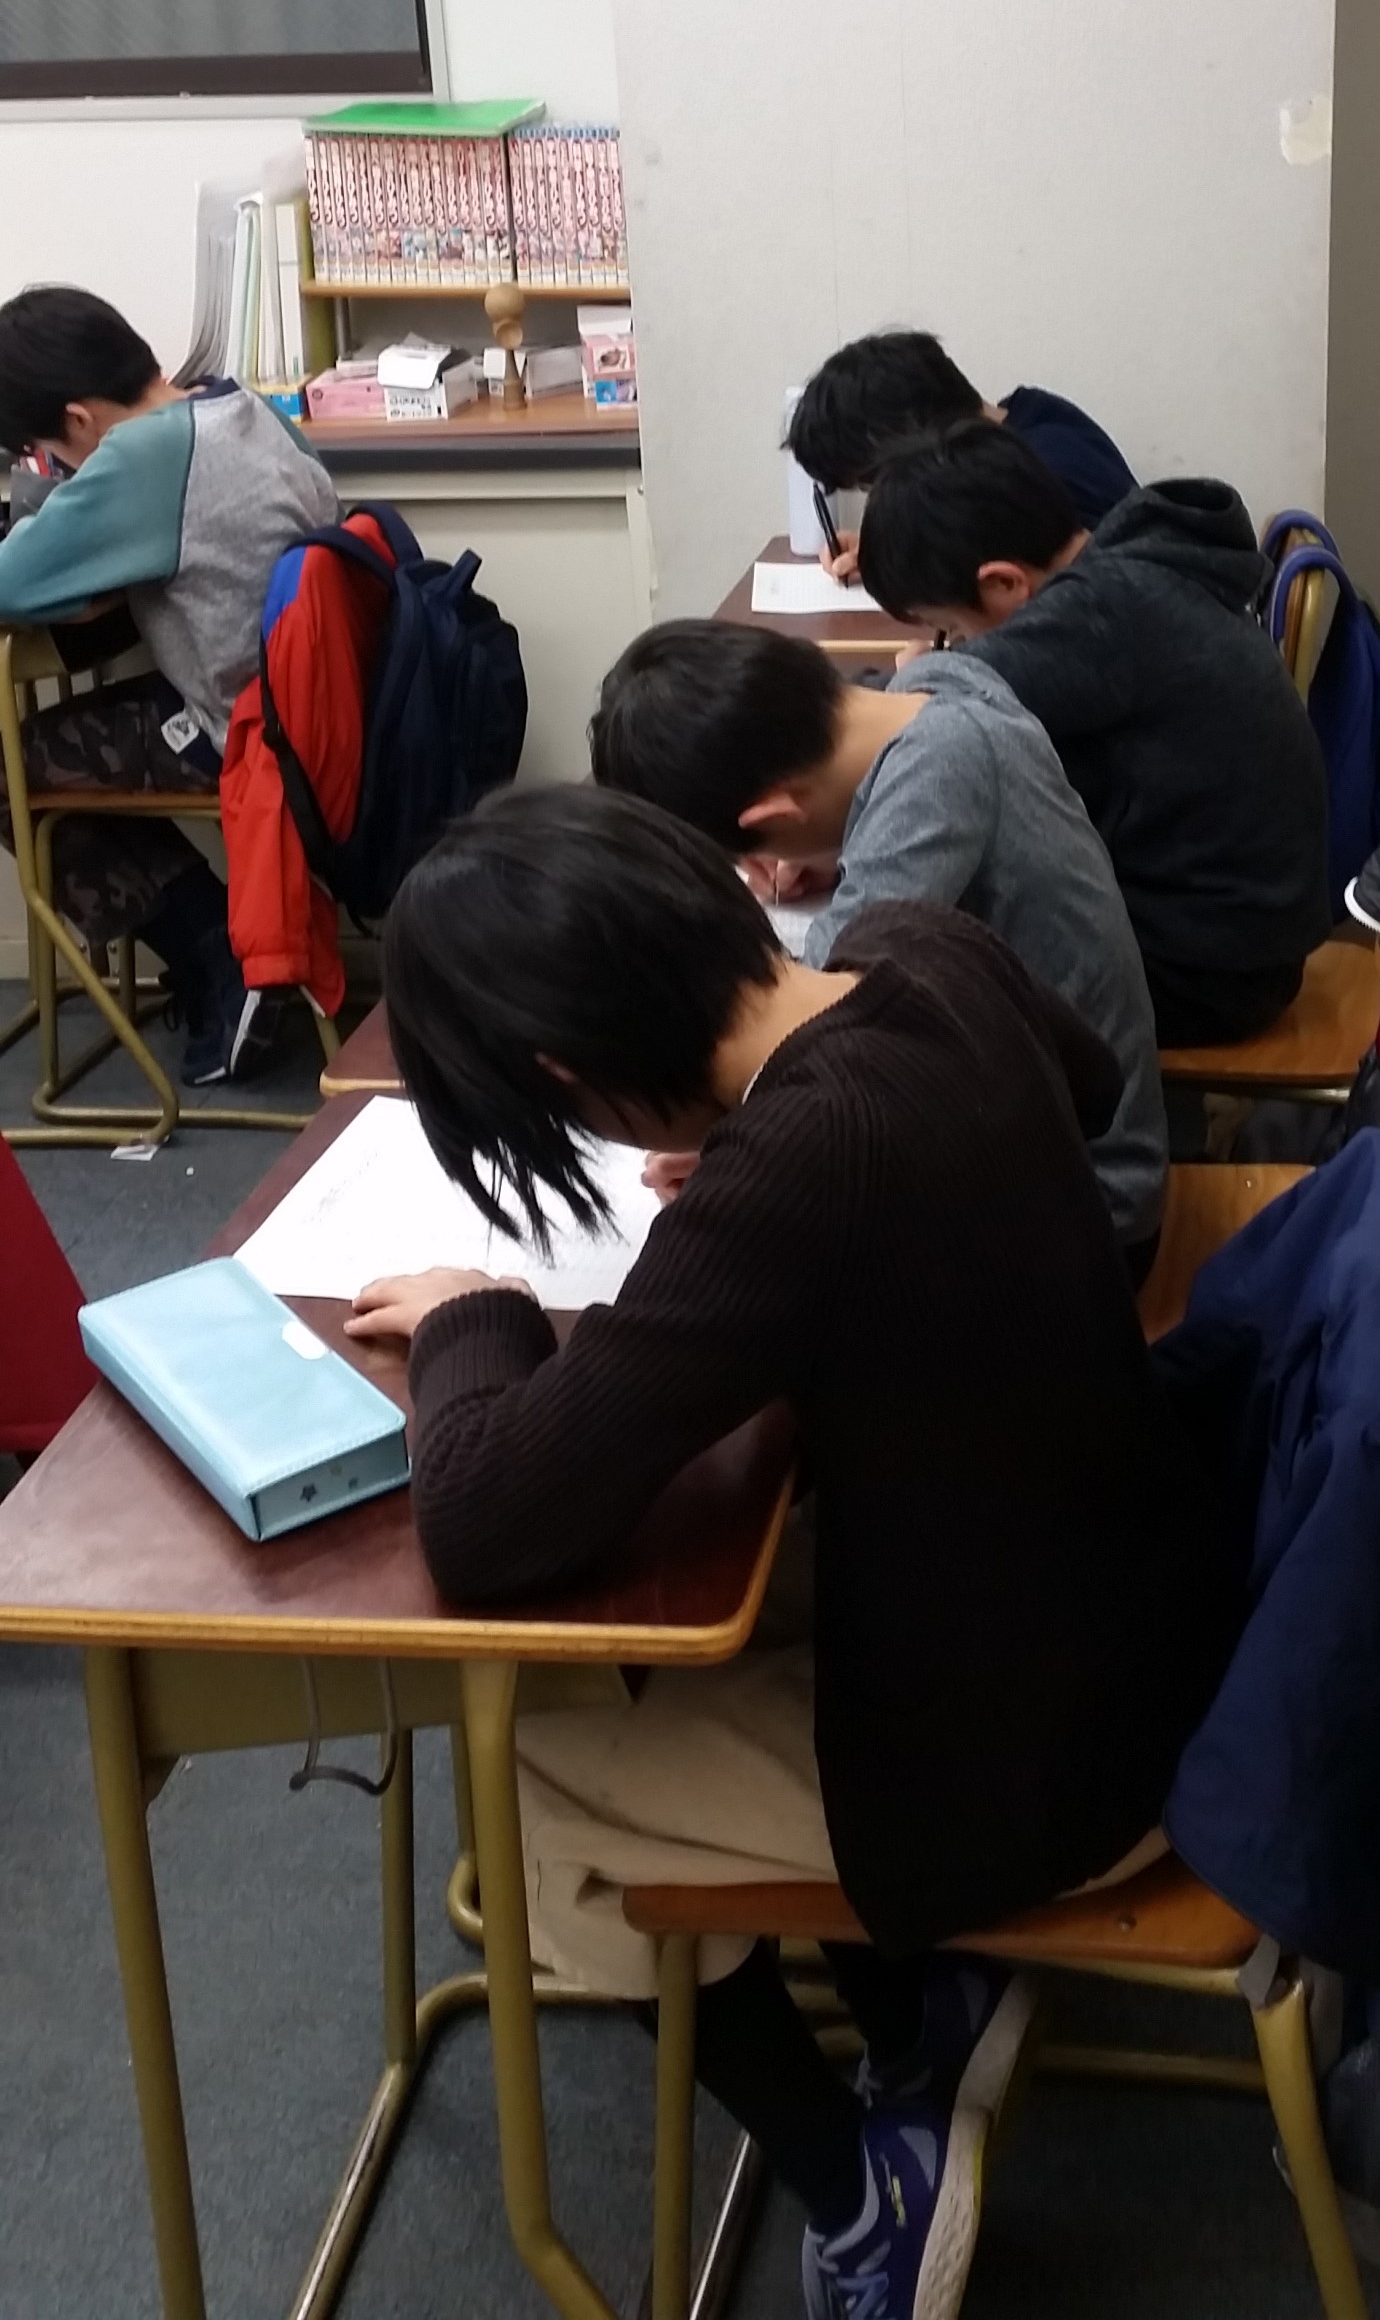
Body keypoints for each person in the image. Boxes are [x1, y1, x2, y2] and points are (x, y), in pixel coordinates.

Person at [344, 785, 1241, 2320]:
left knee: (534, 1782)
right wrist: (778, 1187)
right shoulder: (915, 947)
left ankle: (865, 2187)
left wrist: (472, 1317)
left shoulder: (802, 1160)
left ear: (567, 1075)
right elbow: (1085, 1080)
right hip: (1135, 1601)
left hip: (1052, 1766)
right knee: (668, 1647)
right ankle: (921, 2001)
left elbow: (485, 1517)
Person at [590, 619, 1169, 1271]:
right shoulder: (939, 685)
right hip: (1045, 1129)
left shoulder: (938, 774)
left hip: (1091, 1213)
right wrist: (839, 849)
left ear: (776, 813)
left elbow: (805, 1024)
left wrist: (732, 1144)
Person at [856, 420, 1331, 1045]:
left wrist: (910, 684)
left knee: (922, 985)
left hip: (1207, 974)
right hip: (1246, 936)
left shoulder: (1097, 615)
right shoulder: (1131, 566)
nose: (954, 646)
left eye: (952, 629)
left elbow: (918, 720)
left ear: (1003, 584)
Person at [0, 285, 338, 1080]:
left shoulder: (142, 456)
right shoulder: (242, 407)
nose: (59, 470)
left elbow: (10, 581)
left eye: (50, 453)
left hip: (241, 734)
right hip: (307, 711)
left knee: (5, 771)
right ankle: (229, 944)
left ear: (78, 420)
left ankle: (220, 951)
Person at [786, 328, 1136, 578]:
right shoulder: (1031, 416)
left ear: (918, 438)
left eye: (873, 482)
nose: (885, 496)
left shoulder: (1037, 477)